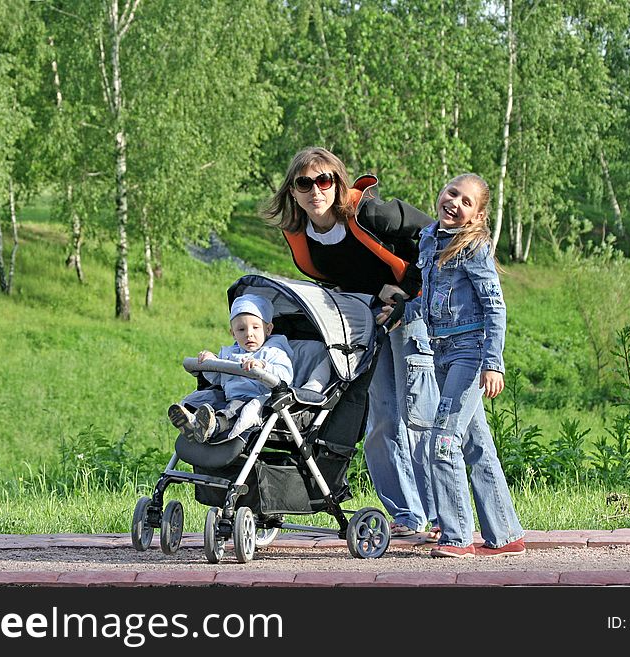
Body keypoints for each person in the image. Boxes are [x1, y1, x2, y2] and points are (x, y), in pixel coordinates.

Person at [266, 146, 439, 540]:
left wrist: (407, 288)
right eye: (305, 183)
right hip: (370, 320)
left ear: (338, 183)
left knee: (419, 417)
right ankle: (407, 516)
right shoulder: (302, 237)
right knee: (381, 419)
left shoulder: (372, 213)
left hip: (412, 311)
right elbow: (338, 283)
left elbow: (432, 235)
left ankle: (443, 515)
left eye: (324, 180)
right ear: (293, 192)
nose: (316, 190)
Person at [405, 172, 525, 557]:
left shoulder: (473, 247)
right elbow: (425, 291)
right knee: (477, 443)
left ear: (477, 216)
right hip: (439, 349)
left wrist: (494, 363)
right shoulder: (428, 238)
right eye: (452, 193)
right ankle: (506, 535)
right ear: (441, 193)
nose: (455, 203)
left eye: (466, 201)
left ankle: (457, 536)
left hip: (470, 353)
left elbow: (495, 306)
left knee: (442, 441)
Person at [168, 294, 294, 442]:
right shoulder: (229, 353)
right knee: (207, 397)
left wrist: (263, 366)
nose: (249, 334)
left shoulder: (273, 352)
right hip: (227, 395)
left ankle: (214, 426)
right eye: (241, 329)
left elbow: (286, 375)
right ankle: (190, 418)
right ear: (233, 333)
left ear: (268, 329)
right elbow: (216, 379)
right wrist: (210, 362)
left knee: (234, 409)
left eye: (255, 327)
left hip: (252, 398)